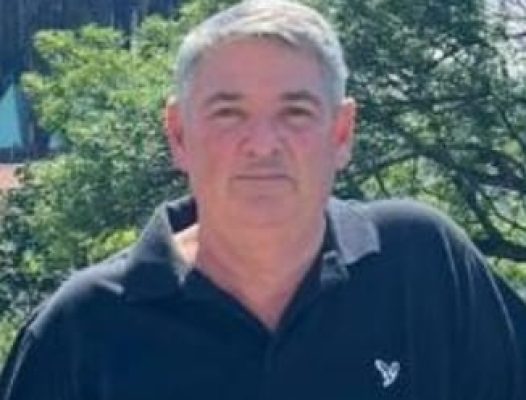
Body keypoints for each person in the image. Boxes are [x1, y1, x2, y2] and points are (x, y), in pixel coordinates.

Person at [1, 1, 525, 399]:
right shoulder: (81, 329)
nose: (262, 144)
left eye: (296, 112)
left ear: (342, 133)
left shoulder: (424, 266)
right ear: (179, 135)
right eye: (228, 113)